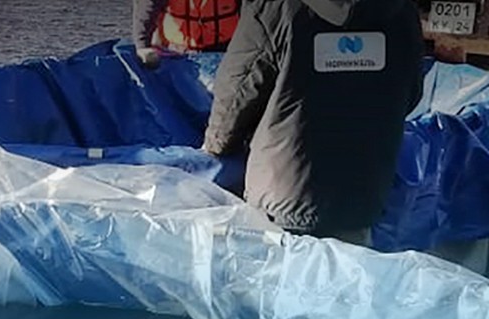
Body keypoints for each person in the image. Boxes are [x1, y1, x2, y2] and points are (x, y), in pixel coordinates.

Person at [201, 0, 424, 246]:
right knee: (347, 268)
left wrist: (218, 144)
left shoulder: (275, 8)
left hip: (283, 196)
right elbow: (411, 92)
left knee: (280, 269)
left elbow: (236, 93)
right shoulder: (402, 12)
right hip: (362, 194)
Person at [133, 0, 241, 68]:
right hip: (176, 53)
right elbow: (146, 9)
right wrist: (142, 46)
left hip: (226, 51)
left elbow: (249, 14)